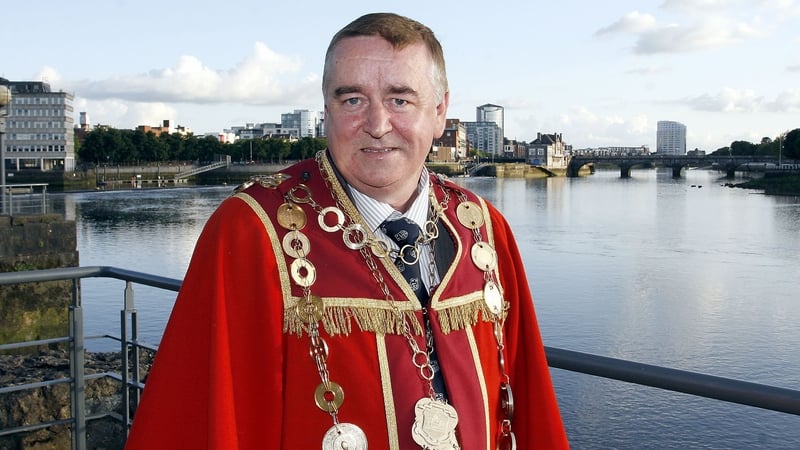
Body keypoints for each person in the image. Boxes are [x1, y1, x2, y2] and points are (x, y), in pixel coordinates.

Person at [125, 12, 568, 450]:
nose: (376, 125)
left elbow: (526, 406)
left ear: (439, 113)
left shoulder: (483, 228)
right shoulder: (251, 232)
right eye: (352, 99)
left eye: (400, 99)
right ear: (327, 112)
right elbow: (202, 421)